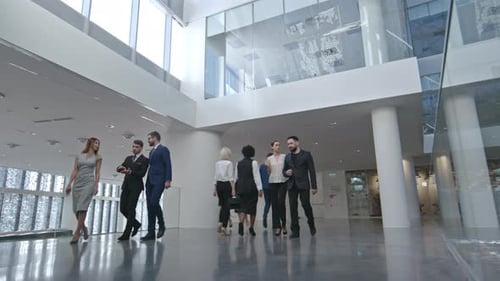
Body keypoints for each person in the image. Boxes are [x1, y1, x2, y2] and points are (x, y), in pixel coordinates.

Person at [65, 137, 102, 244]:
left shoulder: (98, 157)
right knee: (76, 209)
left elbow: (97, 172)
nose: (97, 145)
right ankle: (84, 228)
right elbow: (75, 169)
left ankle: (77, 233)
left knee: (82, 207)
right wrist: (69, 184)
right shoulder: (79, 156)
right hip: (78, 182)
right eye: (96, 143)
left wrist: (96, 185)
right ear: (90, 143)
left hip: (89, 182)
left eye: (98, 144)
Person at [282, 136, 317, 239]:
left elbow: (312, 170)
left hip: (303, 184)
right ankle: (295, 231)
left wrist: (314, 186)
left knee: (306, 205)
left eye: (291, 143)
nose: (289, 145)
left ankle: (311, 224)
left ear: (297, 143)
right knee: (293, 209)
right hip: (291, 185)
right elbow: (284, 171)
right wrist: (286, 173)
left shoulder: (306, 154)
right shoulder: (287, 157)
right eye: (288, 144)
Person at [141, 131, 172, 241]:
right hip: (149, 181)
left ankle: (161, 224)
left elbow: (168, 164)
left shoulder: (163, 149)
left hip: (159, 180)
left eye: (149, 138)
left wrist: (168, 179)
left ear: (155, 138)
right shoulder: (151, 152)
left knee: (154, 202)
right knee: (150, 206)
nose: (148, 140)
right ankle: (151, 232)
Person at [116, 140, 149, 241]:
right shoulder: (128, 158)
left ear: (141, 148)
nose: (134, 148)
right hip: (126, 186)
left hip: (136, 187)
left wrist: (130, 171)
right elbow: (120, 167)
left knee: (131, 209)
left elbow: (142, 174)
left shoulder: (145, 160)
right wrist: (119, 168)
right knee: (122, 209)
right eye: (133, 146)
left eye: (137, 147)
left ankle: (127, 233)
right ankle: (136, 223)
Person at [235, 145, 263, 236]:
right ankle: (251, 227)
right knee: (252, 208)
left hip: (240, 187)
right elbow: (256, 176)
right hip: (251, 187)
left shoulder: (238, 163)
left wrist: (234, 189)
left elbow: (236, 177)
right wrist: (259, 188)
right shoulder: (254, 163)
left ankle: (241, 223)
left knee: (242, 207)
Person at [268, 140, 289, 236]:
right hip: (272, 182)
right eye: (276, 145)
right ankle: (277, 226)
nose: (278, 147)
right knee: (274, 204)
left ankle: (284, 224)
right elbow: (269, 172)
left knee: (281, 202)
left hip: (282, 182)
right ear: (272, 147)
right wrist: (267, 167)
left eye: (279, 145)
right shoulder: (269, 158)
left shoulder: (284, 157)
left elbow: (287, 168)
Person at [213, 147, 236, 235]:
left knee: (222, 205)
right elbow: (231, 177)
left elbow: (215, 176)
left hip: (219, 185)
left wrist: (214, 189)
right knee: (227, 206)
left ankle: (220, 222)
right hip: (227, 185)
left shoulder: (217, 163)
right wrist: (233, 189)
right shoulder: (229, 163)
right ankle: (224, 226)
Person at [260, 153, 272, 229]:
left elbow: (260, 178)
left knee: (267, 203)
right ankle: (276, 221)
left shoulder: (262, 166)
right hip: (273, 186)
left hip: (265, 187)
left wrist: (260, 189)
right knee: (275, 203)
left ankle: (265, 216)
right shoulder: (273, 166)